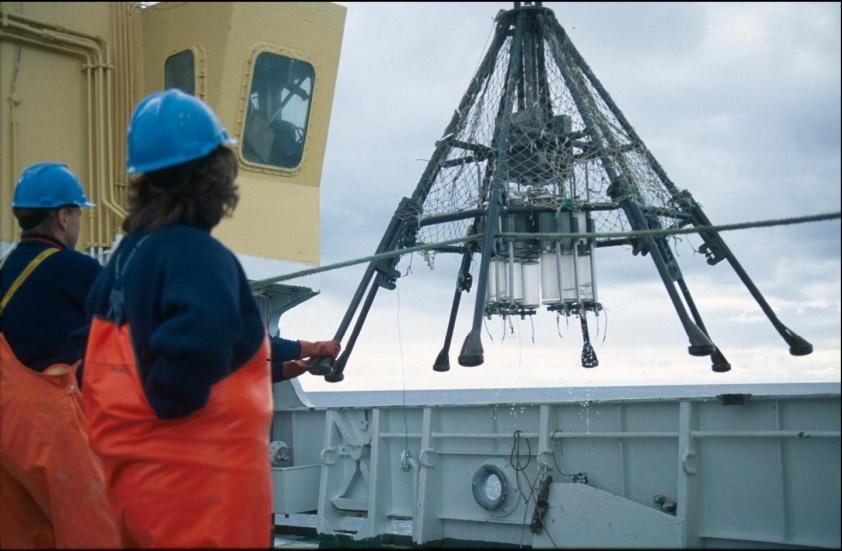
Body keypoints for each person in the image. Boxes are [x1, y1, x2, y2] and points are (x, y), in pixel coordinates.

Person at [81, 89, 339, 548]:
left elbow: (108, 363)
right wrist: (174, 410)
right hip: (198, 502)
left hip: (134, 495)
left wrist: (282, 366)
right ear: (214, 177)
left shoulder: (126, 259)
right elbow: (193, 354)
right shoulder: (199, 257)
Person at [0, 163, 120, 548]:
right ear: (63, 217)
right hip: (50, 432)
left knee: (24, 535)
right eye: (79, 213)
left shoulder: (5, 271)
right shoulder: (75, 269)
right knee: (96, 532)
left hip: (7, 435)